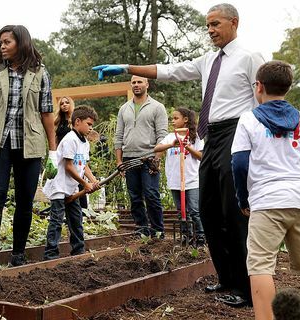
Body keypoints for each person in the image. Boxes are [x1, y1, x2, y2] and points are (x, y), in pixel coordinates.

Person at [93, 3, 264, 307]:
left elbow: (260, 101)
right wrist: (127, 68)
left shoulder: (250, 57)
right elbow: (170, 71)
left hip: (238, 132)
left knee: (232, 212)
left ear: (234, 23)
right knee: (210, 212)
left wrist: (256, 143)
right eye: (207, 25)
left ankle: (247, 288)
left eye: (216, 24)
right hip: (212, 136)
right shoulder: (208, 60)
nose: (210, 30)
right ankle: (226, 279)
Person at [231, 60, 300, 320]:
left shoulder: (248, 120)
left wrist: (244, 198)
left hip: (266, 201)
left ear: (259, 86)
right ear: (288, 87)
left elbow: (239, 163)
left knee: (260, 265)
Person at [0, 25, 56, 271]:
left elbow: (46, 112)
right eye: (0, 42)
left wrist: (52, 149)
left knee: (25, 201)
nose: (2, 46)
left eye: (7, 42)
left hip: (29, 144)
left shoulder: (40, 73)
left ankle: (18, 256)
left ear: (21, 43)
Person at [43, 105, 99, 260]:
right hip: (59, 186)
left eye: (92, 125)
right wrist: (85, 184)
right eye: (88, 124)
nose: (90, 128)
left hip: (71, 187)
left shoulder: (85, 143)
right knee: (57, 219)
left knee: (76, 218)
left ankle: (78, 250)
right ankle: (51, 254)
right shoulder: (70, 139)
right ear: (77, 121)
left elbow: (84, 165)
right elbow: (68, 167)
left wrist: (93, 180)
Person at [115, 75, 168, 237]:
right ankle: (142, 229)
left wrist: (157, 159)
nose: (136, 85)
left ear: (147, 84)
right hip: (129, 159)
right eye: (134, 82)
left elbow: (162, 135)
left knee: (151, 194)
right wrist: (119, 161)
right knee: (135, 196)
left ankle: (158, 230)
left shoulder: (157, 107)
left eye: (140, 82)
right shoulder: (124, 108)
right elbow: (118, 136)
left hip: (149, 157)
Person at [153, 107, 205, 246]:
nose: (173, 121)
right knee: (181, 211)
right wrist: (171, 145)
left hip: (192, 180)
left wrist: (188, 147)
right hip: (175, 181)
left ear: (186, 120)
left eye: (176, 118)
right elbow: (156, 148)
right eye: (172, 118)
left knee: (194, 211)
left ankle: (200, 236)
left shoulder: (196, 138)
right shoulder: (171, 137)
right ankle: (186, 235)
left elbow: (201, 157)